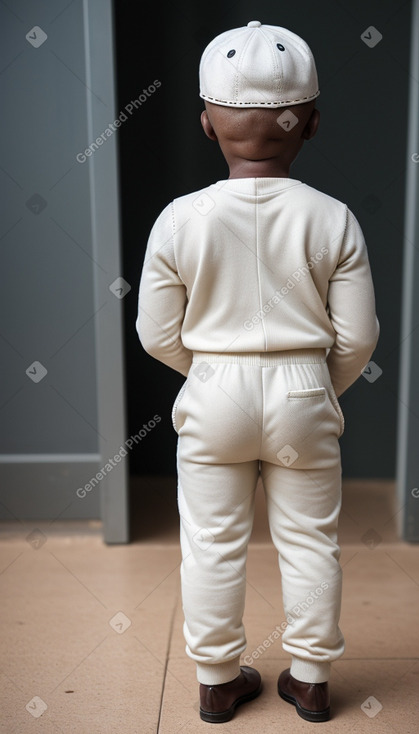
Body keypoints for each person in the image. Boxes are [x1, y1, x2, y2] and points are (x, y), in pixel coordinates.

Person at [137, 20, 379, 724]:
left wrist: (209, 369)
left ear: (207, 125)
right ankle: (309, 679)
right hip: (306, 387)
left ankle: (216, 680)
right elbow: (357, 337)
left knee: (210, 540)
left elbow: (155, 333)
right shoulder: (333, 219)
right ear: (310, 123)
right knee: (310, 539)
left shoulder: (180, 218)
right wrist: (310, 387)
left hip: (212, 388)